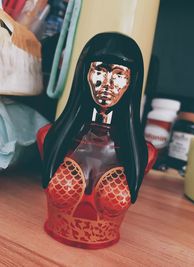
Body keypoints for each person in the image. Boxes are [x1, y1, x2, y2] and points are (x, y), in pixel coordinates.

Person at [37, 32, 157, 249]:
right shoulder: (49, 137)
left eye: (119, 74)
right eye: (100, 70)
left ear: (132, 81)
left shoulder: (143, 153)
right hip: (48, 246)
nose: (107, 83)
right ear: (85, 73)